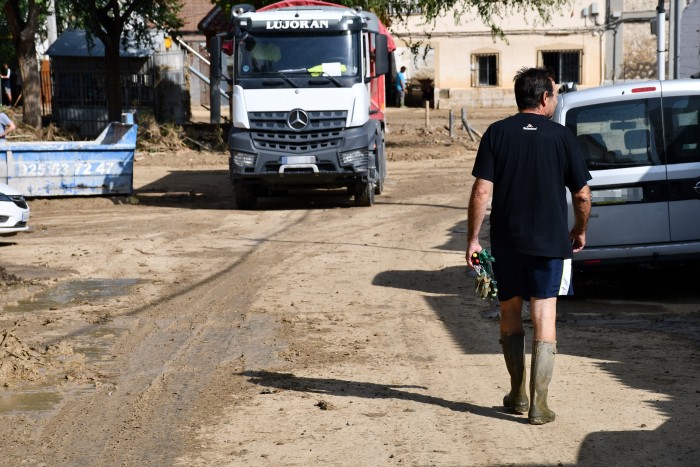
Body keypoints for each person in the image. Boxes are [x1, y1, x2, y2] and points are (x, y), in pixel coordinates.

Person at [466, 67, 591, 425]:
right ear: (543, 98)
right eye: (553, 94)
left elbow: (480, 191)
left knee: (509, 312)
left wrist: (473, 239)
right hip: (550, 243)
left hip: (507, 243)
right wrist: (579, 230)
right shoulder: (562, 137)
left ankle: (517, 394)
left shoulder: (496, 133)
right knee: (544, 315)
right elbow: (581, 195)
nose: (554, 99)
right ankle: (539, 404)